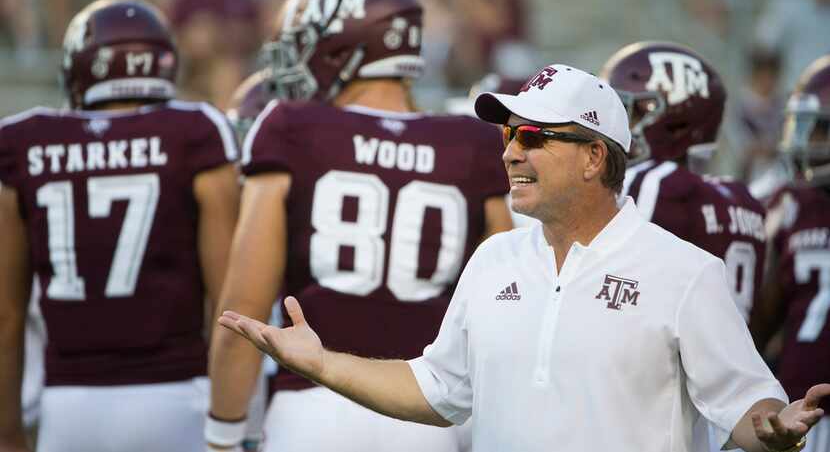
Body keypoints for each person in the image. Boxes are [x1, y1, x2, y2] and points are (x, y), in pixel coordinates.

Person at [218, 62, 830, 452]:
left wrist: (775, 428)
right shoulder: (494, 260)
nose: (511, 151)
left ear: (595, 158)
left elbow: (749, 405)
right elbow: (436, 389)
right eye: (507, 134)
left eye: (534, 137)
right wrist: (320, 363)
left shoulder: (686, 272)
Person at [206, 0, 513, 452]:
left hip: (311, 409)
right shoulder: (473, 141)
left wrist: (221, 437)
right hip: (427, 416)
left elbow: (245, 311)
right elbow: (505, 305)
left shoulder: (292, 126)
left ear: (342, 48)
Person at [0, 0, 240, 452]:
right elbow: (230, 301)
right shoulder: (194, 132)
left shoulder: (23, 141)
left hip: (68, 405)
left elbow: (6, 315)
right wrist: (232, 420)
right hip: (176, 396)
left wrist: (8, 432)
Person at [601, 41, 767, 324]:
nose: (612, 124)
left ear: (676, 124)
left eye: (631, 113)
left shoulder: (654, 183)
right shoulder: (744, 199)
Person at [751, 55, 830, 452]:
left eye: (822, 130)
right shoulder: (791, 204)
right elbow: (762, 319)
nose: (809, 142)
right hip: (801, 411)